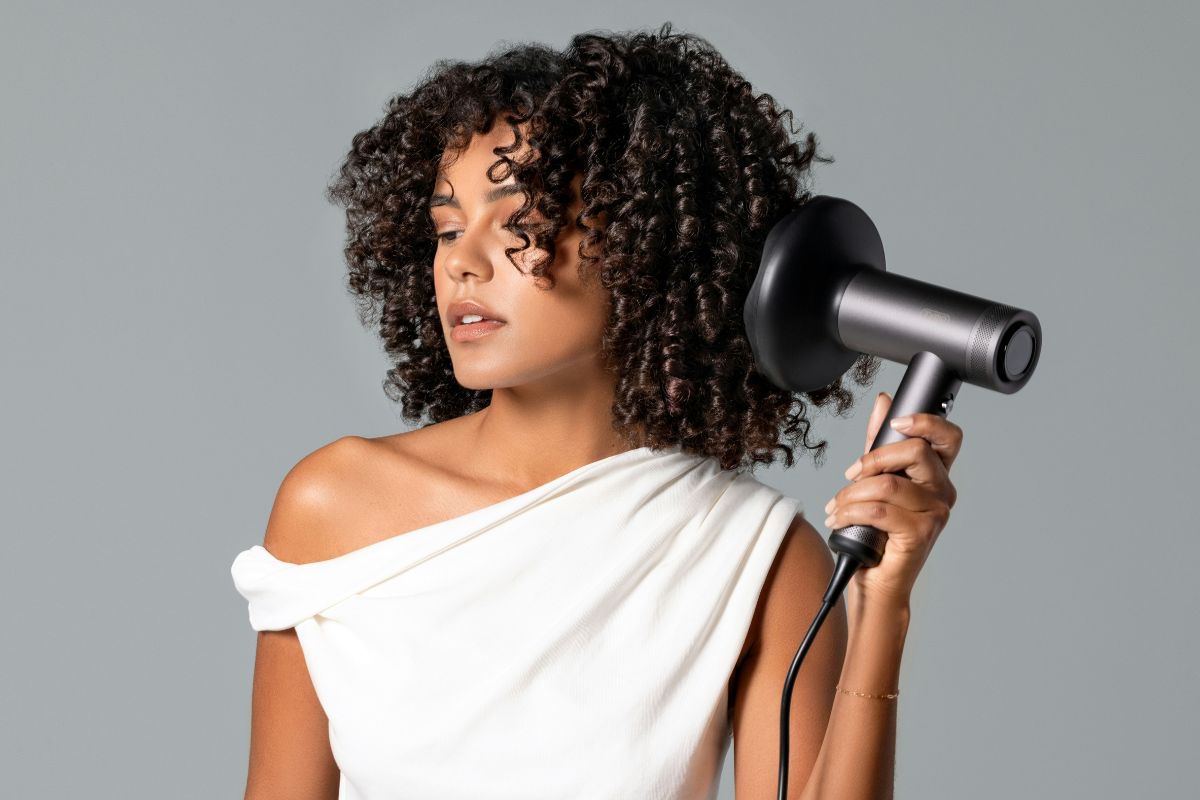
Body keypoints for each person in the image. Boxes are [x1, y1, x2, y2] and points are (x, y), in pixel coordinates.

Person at [231, 23, 962, 800]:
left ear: (646, 241)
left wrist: (882, 609)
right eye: (447, 227)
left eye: (519, 222)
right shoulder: (333, 508)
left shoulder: (755, 557)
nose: (460, 260)